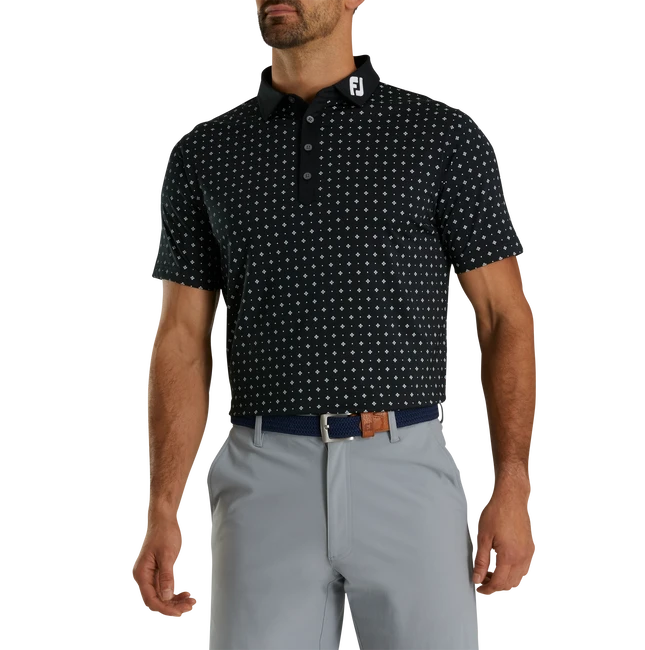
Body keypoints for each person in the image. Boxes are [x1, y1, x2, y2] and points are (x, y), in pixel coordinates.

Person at [132, 1, 538, 647]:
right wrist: (161, 508)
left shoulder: (438, 133)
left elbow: (503, 316)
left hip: (406, 468)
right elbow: (181, 335)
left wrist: (513, 486)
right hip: (261, 475)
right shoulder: (207, 150)